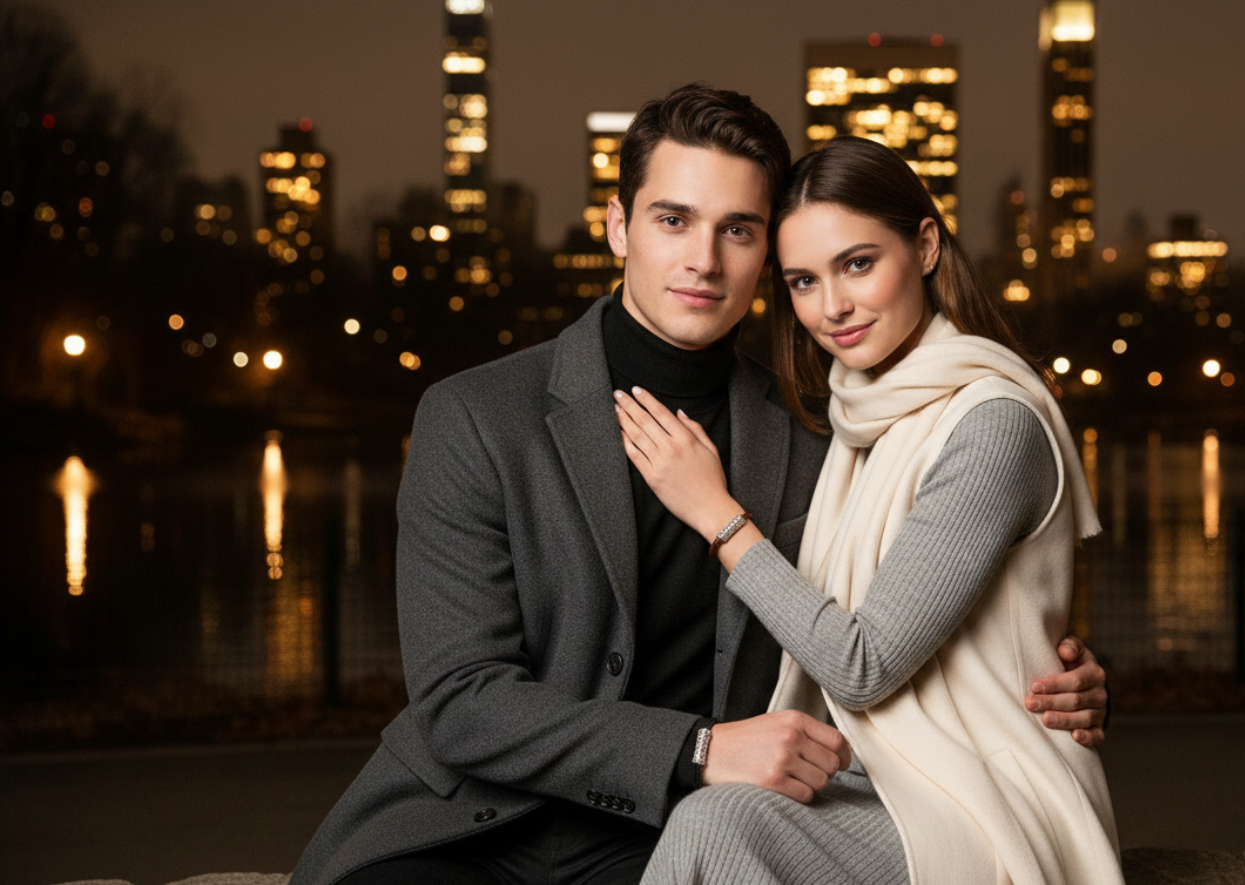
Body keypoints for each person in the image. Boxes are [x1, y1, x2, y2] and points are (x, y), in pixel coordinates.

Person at [291, 85, 1108, 885]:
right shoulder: (474, 415)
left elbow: (900, 612)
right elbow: (463, 701)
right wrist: (699, 747)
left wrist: (1047, 676)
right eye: (673, 219)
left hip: (665, 833)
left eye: (739, 230)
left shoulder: (823, 432)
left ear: (768, 251)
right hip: (467, 824)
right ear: (619, 227)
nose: (703, 260)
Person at [615, 135, 1122, 885]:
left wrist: (718, 515)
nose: (834, 307)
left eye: (858, 263)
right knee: (719, 819)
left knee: (718, 827)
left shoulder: (994, 422)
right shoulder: (854, 419)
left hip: (981, 796)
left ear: (923, 246)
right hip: (876, 780)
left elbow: (862, 665)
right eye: (803, 280)